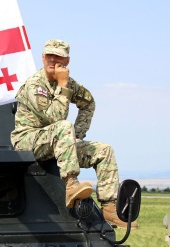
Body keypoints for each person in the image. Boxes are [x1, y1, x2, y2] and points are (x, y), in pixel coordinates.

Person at [11, 39, 137, 228]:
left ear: (67, 61)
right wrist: (63, 85)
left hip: (57, 141)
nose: (53, 61)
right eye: (50, 56)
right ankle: (71, 184)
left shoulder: (69, 84)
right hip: (28, 140)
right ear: (43, 57)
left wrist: (76, 135)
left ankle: (110, 209)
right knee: (63, 126)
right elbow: (55, 118)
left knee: (104, 150)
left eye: (58, 57)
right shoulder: (34, 85)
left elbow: (88, 102)